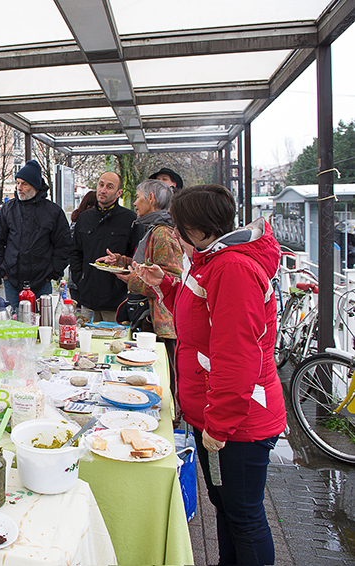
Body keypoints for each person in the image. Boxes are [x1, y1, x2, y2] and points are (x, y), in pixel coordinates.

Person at [136, 185, 286, 566]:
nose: (176, 236)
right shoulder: (212, 260)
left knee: (245, 517)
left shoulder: (233, 268)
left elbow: (236, 356)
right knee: (226, 507)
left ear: (198, 230)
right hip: (221, 416)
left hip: (240, 422)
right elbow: (197, 316)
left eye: (180, 228)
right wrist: (165, 284)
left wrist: (218, 426)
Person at [95, 179, 182, 396]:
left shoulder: (161, 233)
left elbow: (171, 280)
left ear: (151, 199)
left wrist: (130, 279)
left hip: (162, 324)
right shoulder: (154, 228)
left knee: (164, 382)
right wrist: (122, 261)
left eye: (138, 197)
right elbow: (148, 266)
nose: (134, 203)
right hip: (154, 320)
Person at [0, 159, 72, 310]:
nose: (19, 188)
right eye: (18, 183)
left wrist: (52, 272)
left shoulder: (53, 211)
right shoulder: (8, 209)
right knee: (15, 325)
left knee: (41, 325)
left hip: (42, 280)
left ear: (35, 185)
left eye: (24, 184)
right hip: (12, 279)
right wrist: (1, 271)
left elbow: (64, 245)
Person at [68, 171, 140, 322]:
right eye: (101, 184)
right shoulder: (85, 218)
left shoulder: (130, 220)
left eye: (109, 187)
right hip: (88, 297)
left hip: (115, 299)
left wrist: (124, 277)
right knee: (86, 342)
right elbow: (75, 251)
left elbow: (138, 256)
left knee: (113, 344)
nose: (103, 190)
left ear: (119, 193)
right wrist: (79, 279)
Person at [67, 190, 97, 302]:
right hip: (79, 279)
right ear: (89, 206)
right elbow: (72, 250)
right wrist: (78, 277)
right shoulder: (79, 223)